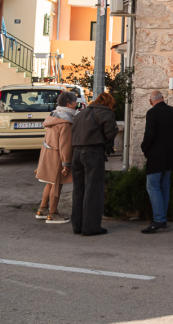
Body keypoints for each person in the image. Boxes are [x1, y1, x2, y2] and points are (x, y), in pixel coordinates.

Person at [70, 90, 118, 236]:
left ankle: (77, 225)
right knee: (93, 190)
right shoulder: (105, 112)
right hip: (92, 152)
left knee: (79, 190)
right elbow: (111, 132)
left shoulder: (81, 113)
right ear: (108, 103)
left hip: (77, 153)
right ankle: (91, 227)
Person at [34, 90, 77, 224]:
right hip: (58, 156)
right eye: (75, 102)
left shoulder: (54, 115)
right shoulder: (66, 120)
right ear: (69, 104)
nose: (77, 104)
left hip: (48, 153)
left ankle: (42, 209)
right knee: (57, 185)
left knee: (50, 183)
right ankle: (53, 214)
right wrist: (66, 163)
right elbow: (65, 144)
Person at [140, 90, 173, 234]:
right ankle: (162, 218)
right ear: (163, 98)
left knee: (153, 187)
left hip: (156, 156)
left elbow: (149, 134)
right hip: (169, 155)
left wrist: (144, 148)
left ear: (151, 101)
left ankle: (158, 219)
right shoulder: (171, 110)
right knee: (164, 187)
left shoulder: (152, 113)